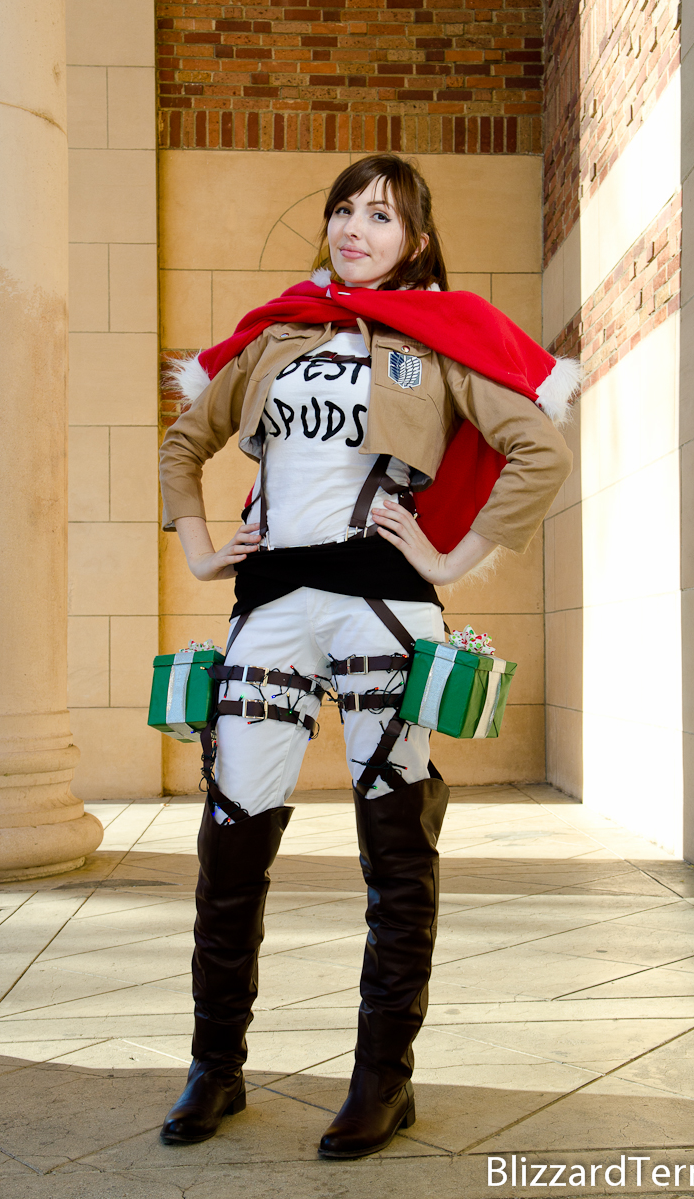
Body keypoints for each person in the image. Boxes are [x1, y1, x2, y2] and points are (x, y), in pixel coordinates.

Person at [157, 153, 575, 1159]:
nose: (356, 228)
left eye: (381, 216)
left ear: (415, 240)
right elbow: (184, 442)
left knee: (395, 841)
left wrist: (449, 558)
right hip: (270, 602)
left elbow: (540, 451)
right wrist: (202, 548)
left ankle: (384, 1080)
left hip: (383, 608)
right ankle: (215, 1067)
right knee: (231, 831)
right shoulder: (278, 335)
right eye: (345, 210)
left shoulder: (439, 340)